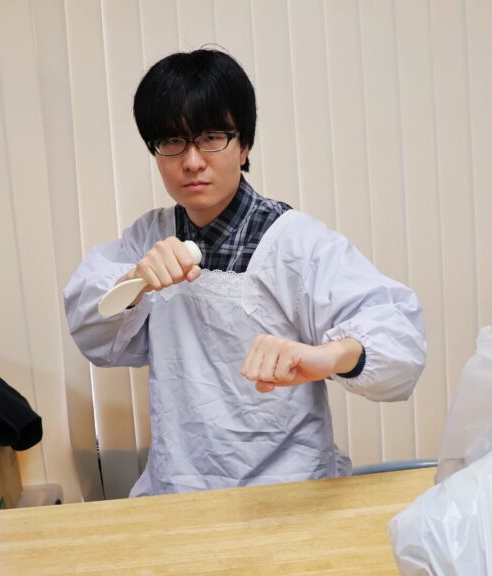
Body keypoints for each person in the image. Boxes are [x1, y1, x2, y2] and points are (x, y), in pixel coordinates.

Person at [64, 49, 426, 497]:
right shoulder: (148, 238)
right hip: (176, 491)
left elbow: (399, 343)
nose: (192, 161)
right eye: (172, 141)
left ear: (244, 145)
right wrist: (133, 284)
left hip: (289, 492)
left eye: (211, 137)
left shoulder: (296, 242)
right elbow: (92, 330)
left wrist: (330, 356)